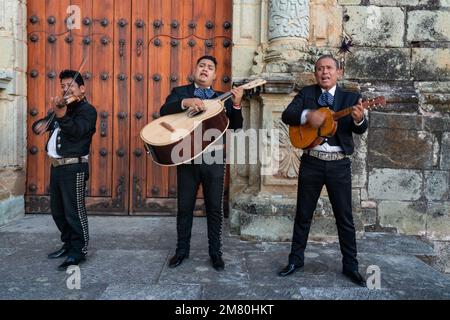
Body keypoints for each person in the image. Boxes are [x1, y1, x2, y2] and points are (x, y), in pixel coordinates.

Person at [279, 55, 367, 287]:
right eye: (319, 69)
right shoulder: (307, 94)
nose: (324, 72)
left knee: (345, 218)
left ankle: (351, 266)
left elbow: (360, 129)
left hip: (339, 164)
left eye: (329, 68)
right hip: (312, 161)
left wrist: (358, 120)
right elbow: (287, 115)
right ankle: (295, 261)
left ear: (339, 72)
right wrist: (308, 115)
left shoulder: (351, 98)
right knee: (303, 215)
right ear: (315, 73)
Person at [160, 55, 244, 271]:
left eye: (210, 67)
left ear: (215, 75)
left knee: (215, 208)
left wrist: (236, 104)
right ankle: (181, 251)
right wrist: (185, 102)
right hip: (186, 157)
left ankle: (215, 253)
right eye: (202, 66)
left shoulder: (221, 97)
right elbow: (164, 111)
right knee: (185, 207)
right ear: (195, 70)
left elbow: (235, 127)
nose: (205, 69)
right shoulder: (181, 92)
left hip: (214, 158)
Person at [32, 70, 97, 271]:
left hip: (74, 167)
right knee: (58, 211)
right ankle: (68, 244)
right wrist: (43, 124)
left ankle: (79, 250)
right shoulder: (62, 109)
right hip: (57, 168)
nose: (65, 89)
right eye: (62, 86)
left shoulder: (87, 110)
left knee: (74, 211)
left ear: (82, 89)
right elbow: (39, 126)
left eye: (70, 86)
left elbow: (77, 132)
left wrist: (62, 115)